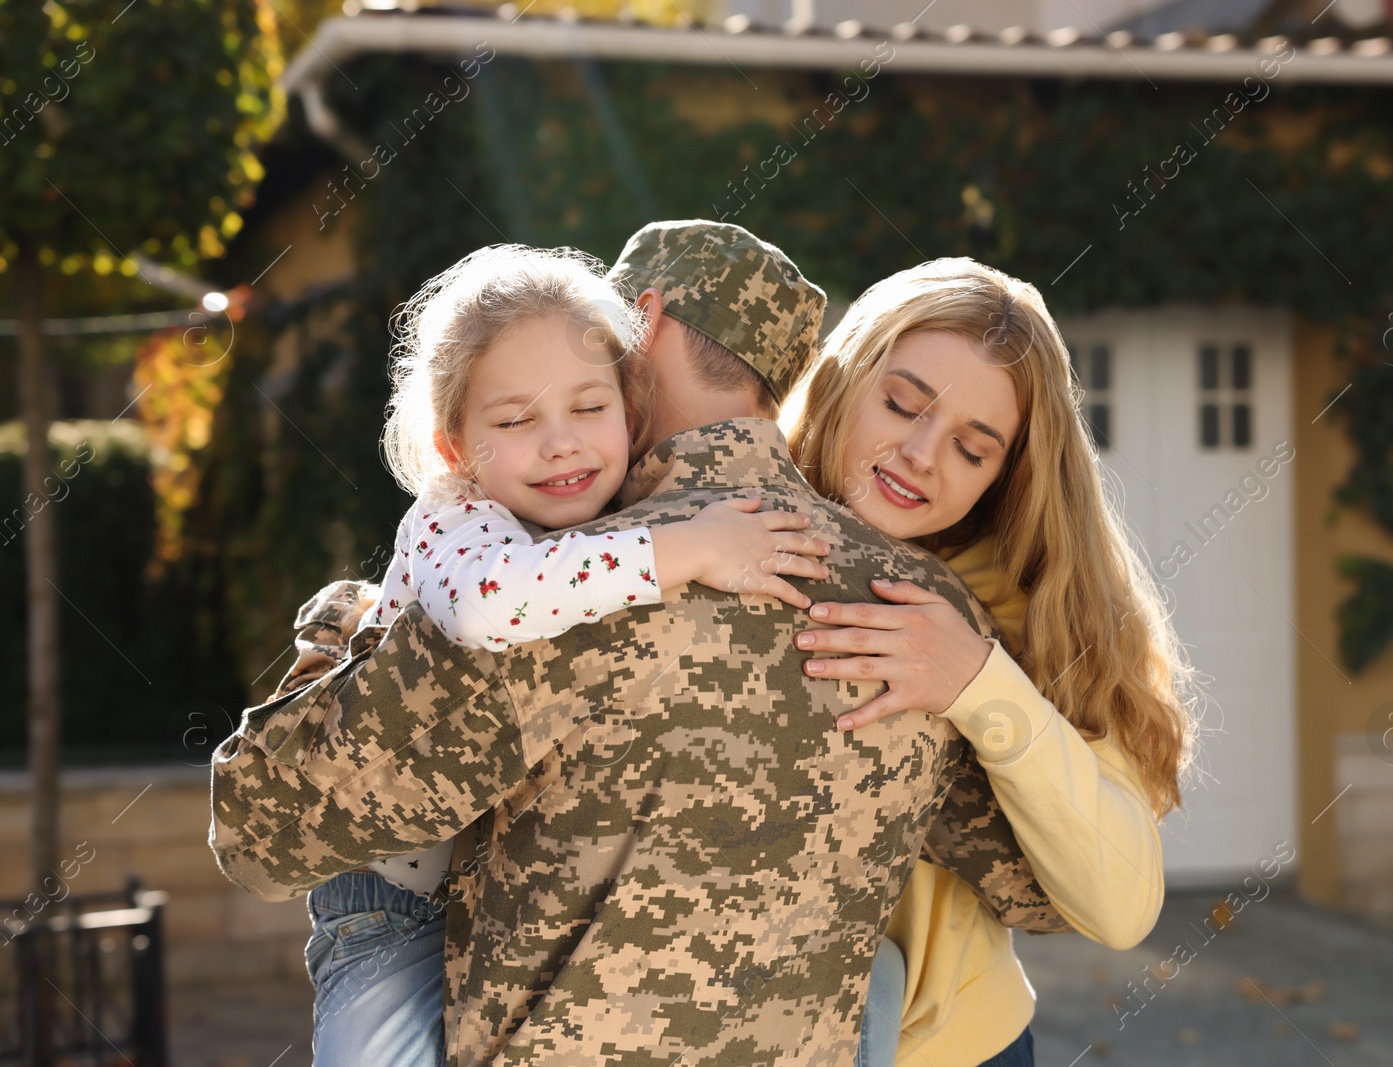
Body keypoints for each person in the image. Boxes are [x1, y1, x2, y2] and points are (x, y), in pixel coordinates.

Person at [209, 220, 1069, 1067]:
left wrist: (340, 636)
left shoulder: (567, 590)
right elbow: (1037, 886)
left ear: (641, 322)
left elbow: (262, 829)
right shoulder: (924, 619)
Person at [290, 244, 832, 1066]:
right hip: (390, 895)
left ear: (631, 404)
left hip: (493, 891)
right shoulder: (452, 519)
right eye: (514, 421)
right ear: (454, 448)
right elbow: (490, 602)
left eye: (590, 407)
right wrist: (690, 547)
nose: (561, 445)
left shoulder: (592, 513)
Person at [785, 258, 1196, 1066]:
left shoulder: (1027, 607)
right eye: (902, 404)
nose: (920, 454)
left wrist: (977, 682)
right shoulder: (724, 518)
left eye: (972, 450)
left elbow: (1124, 905)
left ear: (1006, 474)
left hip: (949, 1046)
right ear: (842, 377)